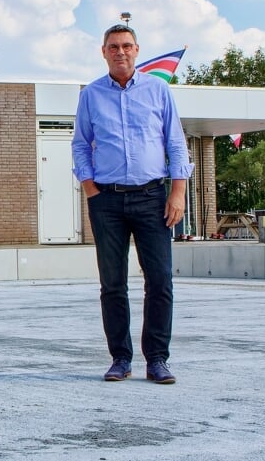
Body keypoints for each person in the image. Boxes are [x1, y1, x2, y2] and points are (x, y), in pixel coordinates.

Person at [71, 24, 191, 384]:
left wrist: (178, 192)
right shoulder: (90, 95)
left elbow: (175, 142)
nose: (120, 52)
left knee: (160, 280)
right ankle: (120, 358)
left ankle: (157, 359)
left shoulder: (158, 90)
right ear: (103, 52)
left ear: (137, 50)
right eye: (113, 47)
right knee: (112, 283)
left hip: (154, 198)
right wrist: (91, 189)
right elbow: (80, 144)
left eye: (126, 46)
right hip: (106, 200)